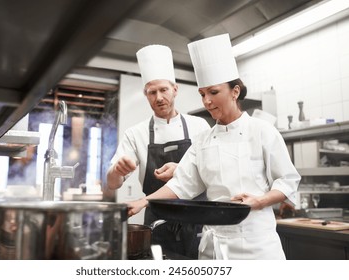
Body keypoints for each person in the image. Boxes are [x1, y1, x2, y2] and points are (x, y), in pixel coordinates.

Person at [127, 34, 301, 260]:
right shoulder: (203, 140)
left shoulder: (262, 131)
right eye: (202, 94)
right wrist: (142, 202)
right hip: (213, 248)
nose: (206, 101)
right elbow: (182, 184)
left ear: (235, 91)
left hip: (257, 247)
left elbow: (288, 180)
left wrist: (259, 201)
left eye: (213, 92)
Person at [106, 44, 211, 259]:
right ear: (146, 95)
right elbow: (113, 183)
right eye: (152, 92)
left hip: (196, 218)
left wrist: (180, 170)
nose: (159, 97)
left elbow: (212, 171)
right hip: (156, 221)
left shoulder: (199, 126)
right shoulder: (135, 133)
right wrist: (117, 171)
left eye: (163, 90)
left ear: (175, 89)